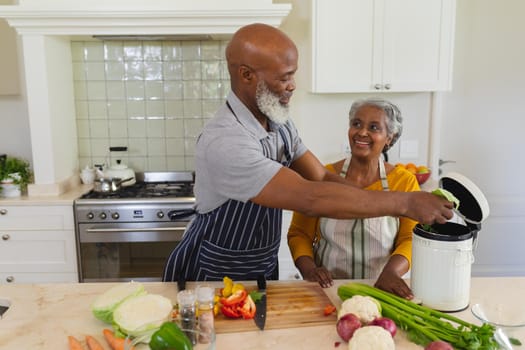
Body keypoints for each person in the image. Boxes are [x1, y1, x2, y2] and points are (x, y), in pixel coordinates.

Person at [162, 23, 453, 283]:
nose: (292, 86)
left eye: (293, 75)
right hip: (212, 271)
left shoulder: (277, 120)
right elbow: (310, 197)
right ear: (246, 75)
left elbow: (322, 177)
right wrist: (403, 203)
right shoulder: (226, 142)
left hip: (260, 263)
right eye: (283, 78)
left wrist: (398, 200)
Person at [288, 98, 418, 299]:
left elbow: (409, 239)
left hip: (380, 288)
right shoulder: (324, 175)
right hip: (327, 288)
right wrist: (310, 270)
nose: (362, 132)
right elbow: (299, 233)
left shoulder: (404, 182)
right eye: (356, 124)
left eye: (374, 127)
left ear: (389, 138)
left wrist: (391, 273)